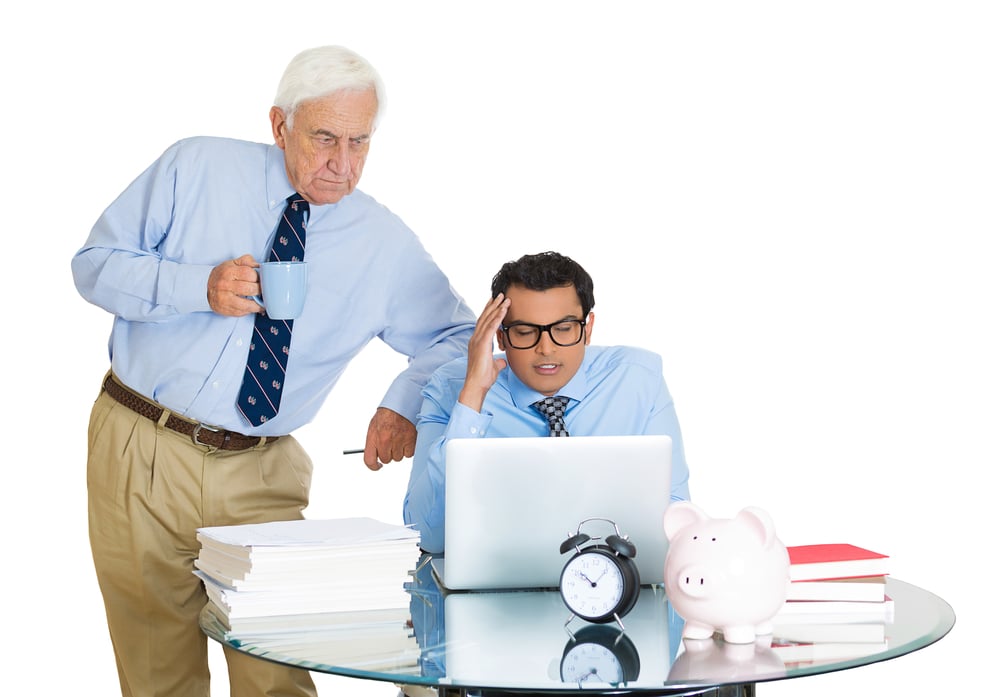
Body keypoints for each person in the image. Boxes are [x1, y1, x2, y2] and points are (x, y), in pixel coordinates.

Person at [72, 45, 475, 697]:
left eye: (359, 142)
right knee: (157, 677)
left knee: (277, 676)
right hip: (142, 447)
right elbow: (93, 264)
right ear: (280, 125)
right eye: (324, 138)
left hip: (263, 471)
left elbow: (459, 335)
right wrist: (196, 286)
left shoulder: (383, 242)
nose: (342, 163)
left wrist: (404, 401)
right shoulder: (196, 166)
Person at [403, 251, 691, 553]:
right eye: (525, 332)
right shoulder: (450, 387)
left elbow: (676, 519)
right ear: (500, 337)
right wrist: (473, 393)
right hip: (501, 574)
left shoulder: (638, 379)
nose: (546, 348)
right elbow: (426, 535)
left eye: (563, 329)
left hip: (613, 572)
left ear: (587, 329)